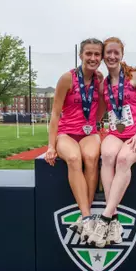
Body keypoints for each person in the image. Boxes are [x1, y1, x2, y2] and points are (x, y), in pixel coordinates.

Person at [87, 37, 136, 248]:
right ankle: (114, 219)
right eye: (109, 53)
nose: (112, 56)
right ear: (104, 56)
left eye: (116, 52)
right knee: (106, 155)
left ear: (122, 54)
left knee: (123, 159)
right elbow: (101, 111)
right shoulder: (104, 84)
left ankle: (105, 218)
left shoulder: (135, 77)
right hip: (116, 133)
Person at [45, 38, 106, 242]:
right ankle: (87, 216)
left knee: (90, 157)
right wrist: (51, 146)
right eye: (88, 53)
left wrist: (94, 124)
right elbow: (55, 113)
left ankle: (84, 219)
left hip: (89, 133)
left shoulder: (100, 79)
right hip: (67, 132)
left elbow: (102, 107)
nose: (93, 58)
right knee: (73, 158)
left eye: (97, 54)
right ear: (80, 55)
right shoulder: (67, 78)